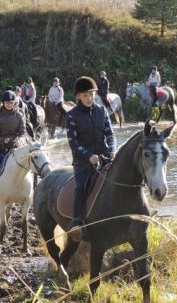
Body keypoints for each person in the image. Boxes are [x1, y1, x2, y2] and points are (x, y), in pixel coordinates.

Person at [66, 76, 116, 241]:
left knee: (124, 175)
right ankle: (77, 223)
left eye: (92, 94)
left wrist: (113, 150)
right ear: (78, 96)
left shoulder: (102, 110)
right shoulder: (72, 115)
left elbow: (110, 134)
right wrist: (89, 156)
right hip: (82, 163)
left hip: (104, 157)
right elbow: (74, 143)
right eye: (85, 95)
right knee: (80, 188)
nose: (89, 98)